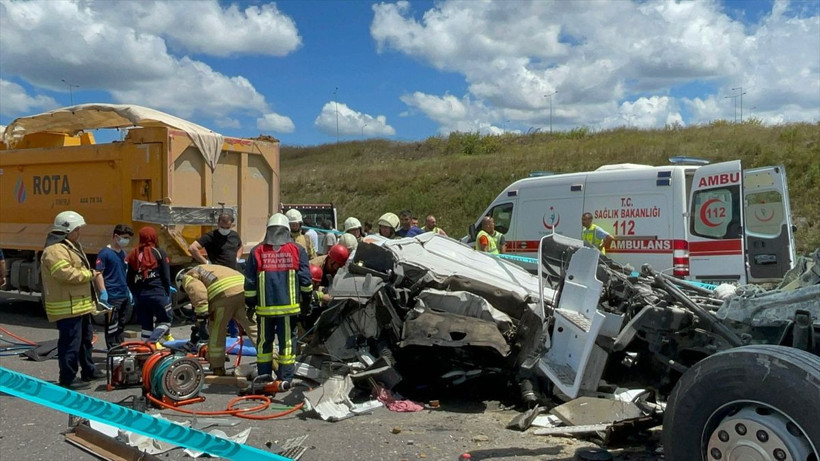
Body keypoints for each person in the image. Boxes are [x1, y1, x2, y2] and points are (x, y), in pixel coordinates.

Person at [40, 210, 105, 390]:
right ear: (66, 230)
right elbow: (64, 273)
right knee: (70, 344)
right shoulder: (54, 250)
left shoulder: (71, 246)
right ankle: (67, 377)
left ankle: (88, 370)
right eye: (77, 229)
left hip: (79, 306)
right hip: (67, 308)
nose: (79, 233)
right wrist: (89, 275)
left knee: (85, 341)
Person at [244, 213, 312, 384]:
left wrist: (250, 305)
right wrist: (307, 301)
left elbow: (250, 283)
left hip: (264, 310)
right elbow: (305, 280)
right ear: (288, 230)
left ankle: (264, 377)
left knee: (264, 344)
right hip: (289, 310)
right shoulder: (297, 250)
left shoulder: (257, 251)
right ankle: (285, 379)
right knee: (287, 344)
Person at [176, 264, 258, 376]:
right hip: (243, 291)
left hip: (222, 297)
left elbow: (198, 292)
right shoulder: (209, 267)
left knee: (217, 332)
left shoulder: (187, 276)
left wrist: (202, 315)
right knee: (254, 328)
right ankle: (272, 358)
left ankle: (217, 367)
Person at [126, 227, 174, 345]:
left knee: (146, 325)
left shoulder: (134, 254)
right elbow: (166, 276)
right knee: (166, 321)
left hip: (140, 296)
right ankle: (152, 342)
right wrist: (167, 292)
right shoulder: (159, 253)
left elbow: (129, 279)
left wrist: (134, 294)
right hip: (158, 293)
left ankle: (145, 353)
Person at [95, 224, 134, 349]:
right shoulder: (105, 253)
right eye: (124, 237)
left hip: (123, 293)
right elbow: (98, 274)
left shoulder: (123, 253)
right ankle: (112, 347)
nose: (126, 240)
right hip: (112, 294)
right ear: (116, 236)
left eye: (128, 238)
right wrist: (103, 292)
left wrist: (128, 290)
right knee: (112, 324)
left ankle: (120, 346)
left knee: (121, 323)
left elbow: (124, 272)